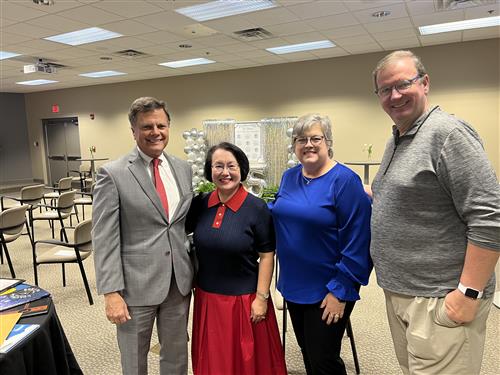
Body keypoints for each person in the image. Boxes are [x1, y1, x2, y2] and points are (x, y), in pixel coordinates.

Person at [370, 50, 500, 375]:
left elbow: (490, 216)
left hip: (440, 298)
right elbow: (406, 195)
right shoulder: (399, 137)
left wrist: (468, 294)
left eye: (403, 84)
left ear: (425, 83)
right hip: (402, 292)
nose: (394, 95)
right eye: (385, 89)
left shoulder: (448, 135)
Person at [92, 97, 194, 375]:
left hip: (178, 282)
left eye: (161, 125)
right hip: (134, 287)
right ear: (133, 131)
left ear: (169, 127)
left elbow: (180, 225)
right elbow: (104, 238)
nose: (155, 132)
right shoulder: (112, 174)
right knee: (135, 360)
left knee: (176, 355)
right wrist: (111, 292)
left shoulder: (183, 169)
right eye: (147, 126)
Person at [269, 114, 372, 375]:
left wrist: (340, 290)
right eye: (301, 139)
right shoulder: (289, 177)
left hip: (328, 288)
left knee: (324, 359)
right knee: (308, 352)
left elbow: (358, 241)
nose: (308, 144)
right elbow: (282, 211)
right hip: (294, 284)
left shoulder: (345, 181)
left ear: (328, 142)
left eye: (316, 138)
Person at [187, 142, 287, 375]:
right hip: (208, 300)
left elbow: (267, 255)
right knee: (214, 363)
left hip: (244, 301)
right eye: (218, 166)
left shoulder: (256, 208)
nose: (225, 172)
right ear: (209, 171)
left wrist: (261, 298)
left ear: (241, 169)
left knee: (248, 365)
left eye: (231, 166)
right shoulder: (201, 204)